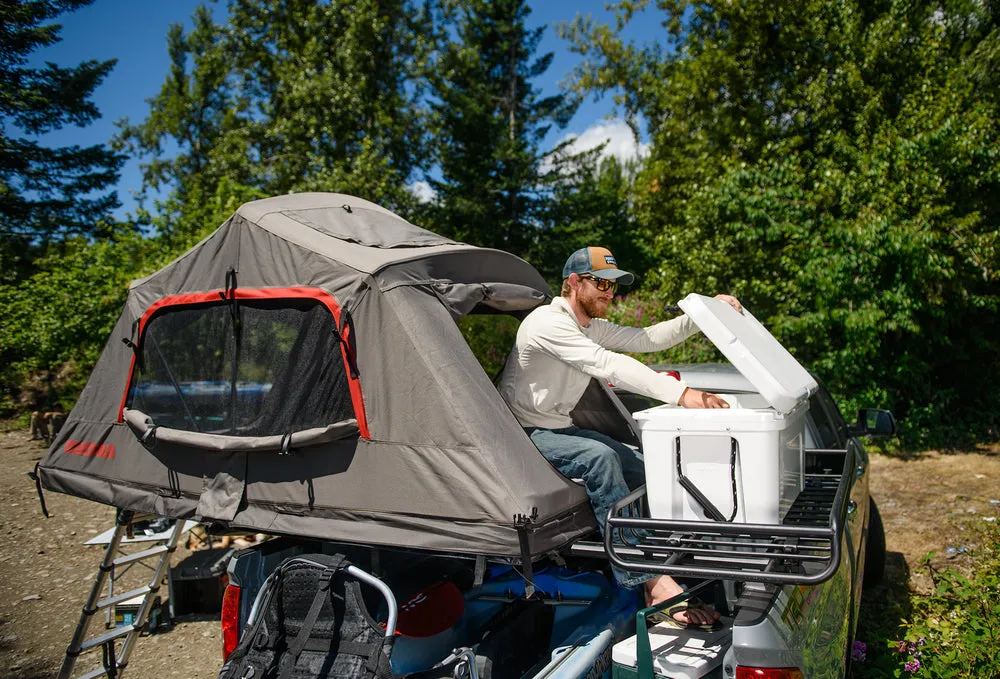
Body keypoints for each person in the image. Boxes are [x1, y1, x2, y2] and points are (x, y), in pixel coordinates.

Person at [498, 246, 742, 625]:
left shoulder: (589, 325)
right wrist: (681, 394)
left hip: (559, 427)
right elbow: (609, 363)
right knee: (601, 460)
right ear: (574, 282)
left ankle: (675, 562)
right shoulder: (546, 323)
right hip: (523, 433)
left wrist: (703, 316)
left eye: (613, 286)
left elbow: (649, 339)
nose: (610, 293)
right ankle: (648, 581)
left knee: (646, 467)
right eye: (601, 283)